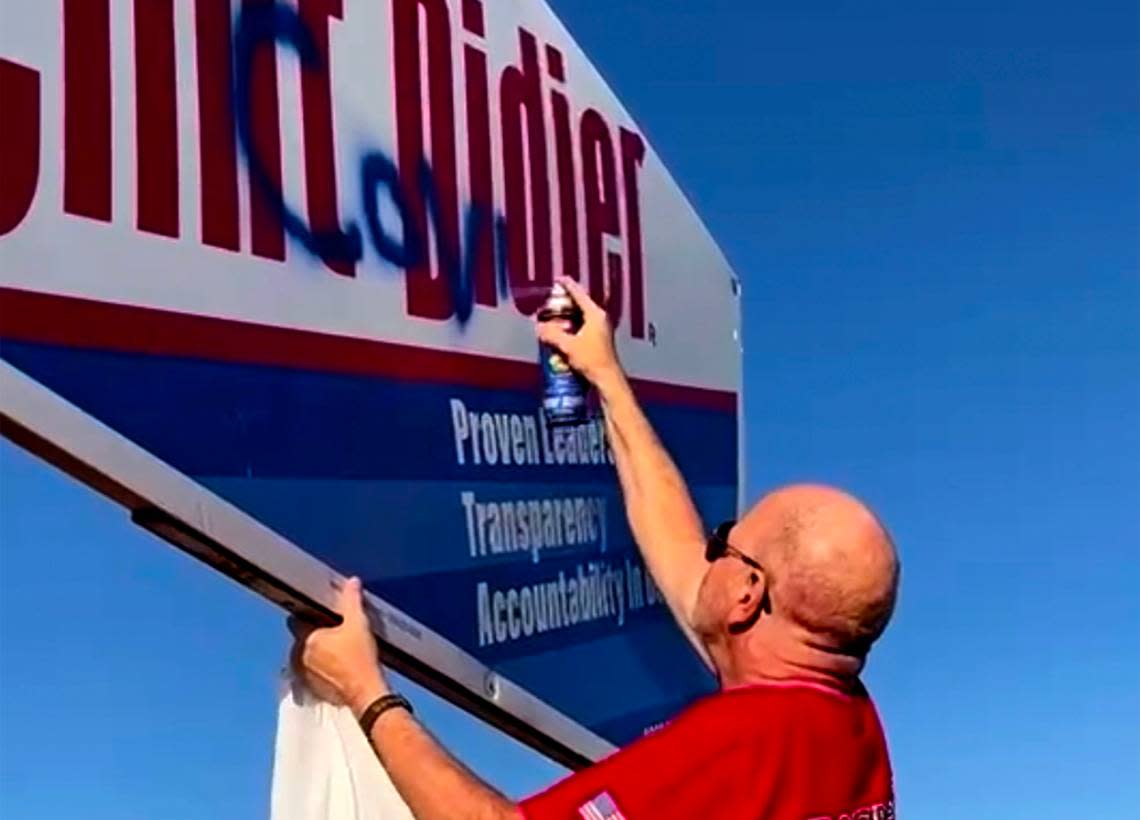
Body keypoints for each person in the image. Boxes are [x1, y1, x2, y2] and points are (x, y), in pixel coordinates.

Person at [290, 278, 900, 820]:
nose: (708, 553)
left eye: (725, 545)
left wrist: (366, 692)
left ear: (748, 594)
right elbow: (681, 556)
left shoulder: (737, 746)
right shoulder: (847, 722)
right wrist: (608, 380)